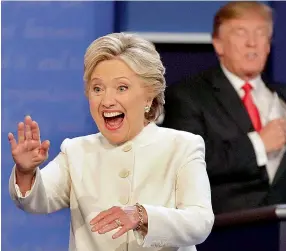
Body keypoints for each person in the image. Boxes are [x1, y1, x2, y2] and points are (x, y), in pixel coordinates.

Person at [8, 33, 214, 251]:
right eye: (97, 89)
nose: (106, 101)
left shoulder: (182, 147)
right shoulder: (76, 151)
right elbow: (38, 200)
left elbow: (200, 222)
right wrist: (25, 172)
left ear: (149, 97)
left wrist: (142, 215)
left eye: (121, 88)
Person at [162, 1, 286, 214]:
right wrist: (258, 145)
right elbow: (186, 165)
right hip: (221, 232)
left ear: (268, 44)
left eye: (261, 33)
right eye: (240, 33)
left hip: (285, 236)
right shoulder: (188, 96)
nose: (252, 43)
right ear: (218, 44)